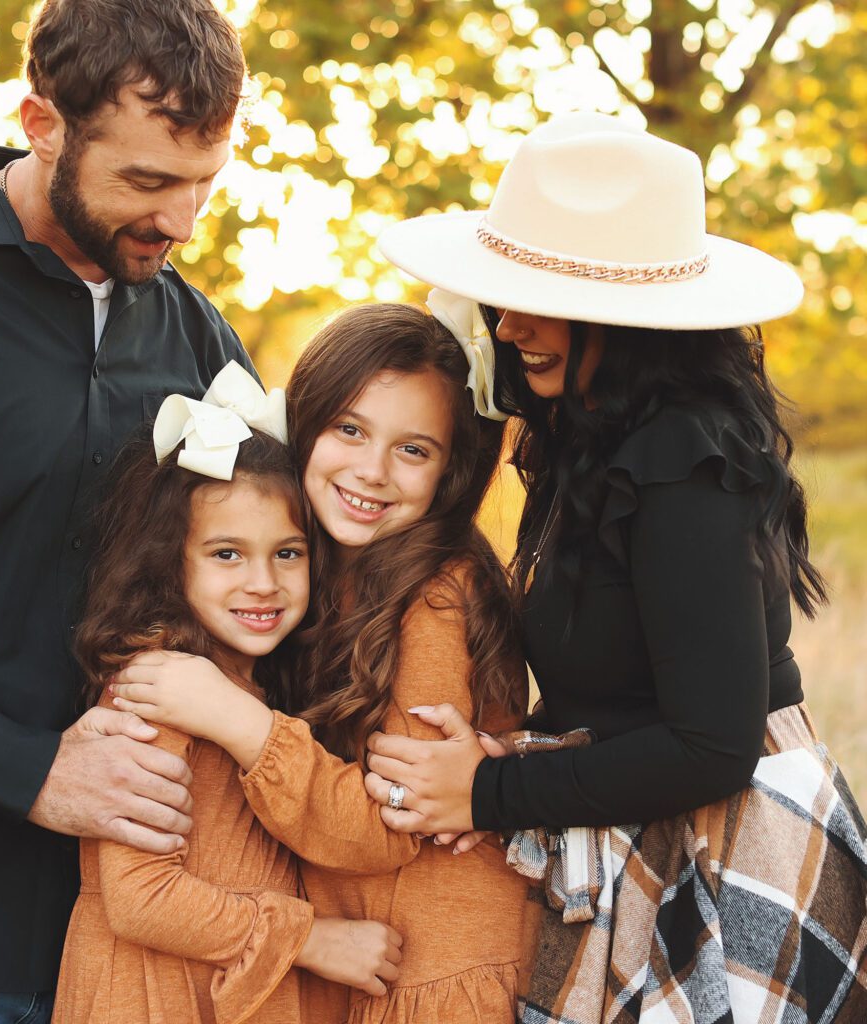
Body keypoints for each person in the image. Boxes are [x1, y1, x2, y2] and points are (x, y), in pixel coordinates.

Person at [362, 112, 867, 1020]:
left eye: (537, 297)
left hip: (727, 850)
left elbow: (712, 745)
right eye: (504, 294)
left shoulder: (682, 460)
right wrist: (510, 747)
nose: (508, 325)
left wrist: (489, 791)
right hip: (646, 818)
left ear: (626, 317)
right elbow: (624, 683)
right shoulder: (587, 438)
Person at [0, 1, 252, 1018]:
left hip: (123, 938)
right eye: (147, 182)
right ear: (41, 123)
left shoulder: (197, 333)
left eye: (203, 182)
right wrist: (26, 768)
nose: (180, 220)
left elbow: (283, 574)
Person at [110, 304, 534, 1022]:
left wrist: (232, 717)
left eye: (414, 449)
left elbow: (384, 828)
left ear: (450, 471)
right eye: (350, 429)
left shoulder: (434, 595)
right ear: (304, 424)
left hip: (438, 976)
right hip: (365, 965)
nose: (371, 471)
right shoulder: (310, 579)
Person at [52, 363, 402, 1024]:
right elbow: (140, 897)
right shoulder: (156, 687)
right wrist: (311, 939)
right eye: (226, 555)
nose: (263, 583)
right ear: (168, 560)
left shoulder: (254, 680)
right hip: (153, 998)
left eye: (288, 553)